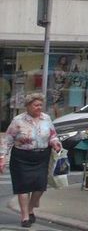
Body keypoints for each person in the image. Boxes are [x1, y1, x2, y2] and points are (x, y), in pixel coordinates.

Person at [0, 92, 62, 228]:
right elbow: (8, 139)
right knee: (23, 187)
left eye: (41, 105)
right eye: (36, 105)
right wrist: (2, 157)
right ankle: (25, 217)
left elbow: (53, 135)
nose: (39, 107)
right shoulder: (18, 120)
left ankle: (30, 208)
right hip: (22, 157)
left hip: (41, 156)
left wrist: (55, 142)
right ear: (28, 106)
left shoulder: (46, 118)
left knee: (40, 186)